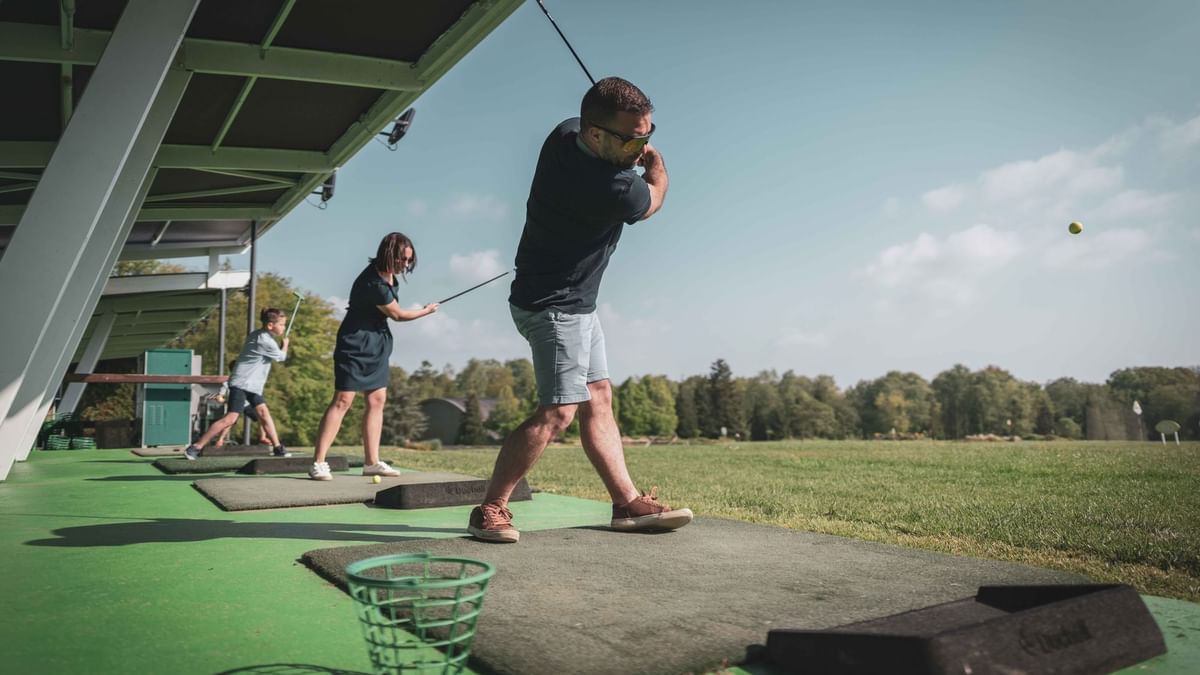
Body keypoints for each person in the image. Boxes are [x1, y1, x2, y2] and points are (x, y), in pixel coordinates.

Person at [468, 77, 690, 543]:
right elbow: (653, 199)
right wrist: (656, 163)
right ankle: (490, 508)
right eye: (631, 140)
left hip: (574, 304)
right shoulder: (614, 187)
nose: (640, 147)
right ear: (595, 134)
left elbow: (603, 135)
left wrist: (630, 147)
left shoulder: (564, 133)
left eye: (647, 136)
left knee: (599, 397)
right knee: (559, 412)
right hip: (554, 308)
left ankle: (626, 503)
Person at [308, 232, 439, 480]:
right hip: (355, 342)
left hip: (377, 343)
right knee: (343, 400)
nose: (405, 264)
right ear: (389, 254)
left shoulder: (390, 277)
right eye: (402, 259)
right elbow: (398, 315)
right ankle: (319, 462)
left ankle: (371, 462)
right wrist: (426, 311)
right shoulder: (374, 283)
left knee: (377, 399)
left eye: (409, 260)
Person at [185, 309, 291, 459]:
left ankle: (278, 448)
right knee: (230, 419)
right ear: (270, 325)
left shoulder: (259, 335)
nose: (284, 327)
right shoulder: (265, 341)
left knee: (264, 413)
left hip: (252, 386)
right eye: (281, 324)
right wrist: (285, 345)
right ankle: (195, 447)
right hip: (242, 384)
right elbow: (281, 357)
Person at [214, 361, 271, 448]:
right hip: (235, 404)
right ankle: (220, 439)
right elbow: (220, 396)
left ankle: (263, 437)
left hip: (246, 404)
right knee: (229, 422)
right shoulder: (227, 383)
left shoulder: (246, 379)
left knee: (261, 417)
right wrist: (222, 399)